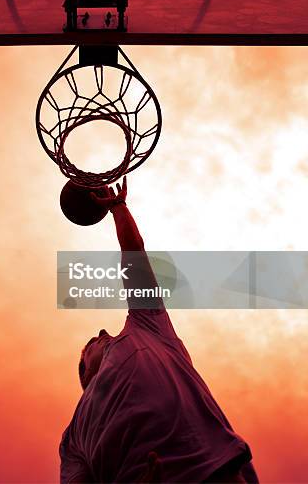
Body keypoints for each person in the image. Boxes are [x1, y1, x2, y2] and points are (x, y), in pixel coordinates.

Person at [60, 177, 259, 483]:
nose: (102, 331)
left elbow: (133, 252)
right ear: (86, 374)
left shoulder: (147, 325)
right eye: (91, 344)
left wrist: (118, 207)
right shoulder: (73, 436)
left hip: (218, 472)